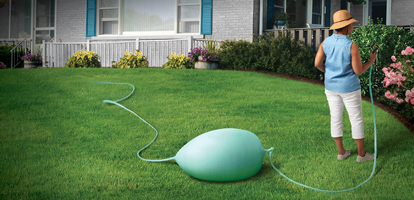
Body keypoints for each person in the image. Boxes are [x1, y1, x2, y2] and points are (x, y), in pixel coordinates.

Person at [314, 10, 376, 162]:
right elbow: (358, 70)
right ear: (347, 27)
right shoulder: (351, 45)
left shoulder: (326, 42)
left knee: (335, 118)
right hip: (349, 88)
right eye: (352, 25)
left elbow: (317, 63)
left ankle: (341, 152)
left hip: (331, 87)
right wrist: (371, 61)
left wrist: (328, 71)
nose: (353, 27)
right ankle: (361, 155)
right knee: (356, 119)